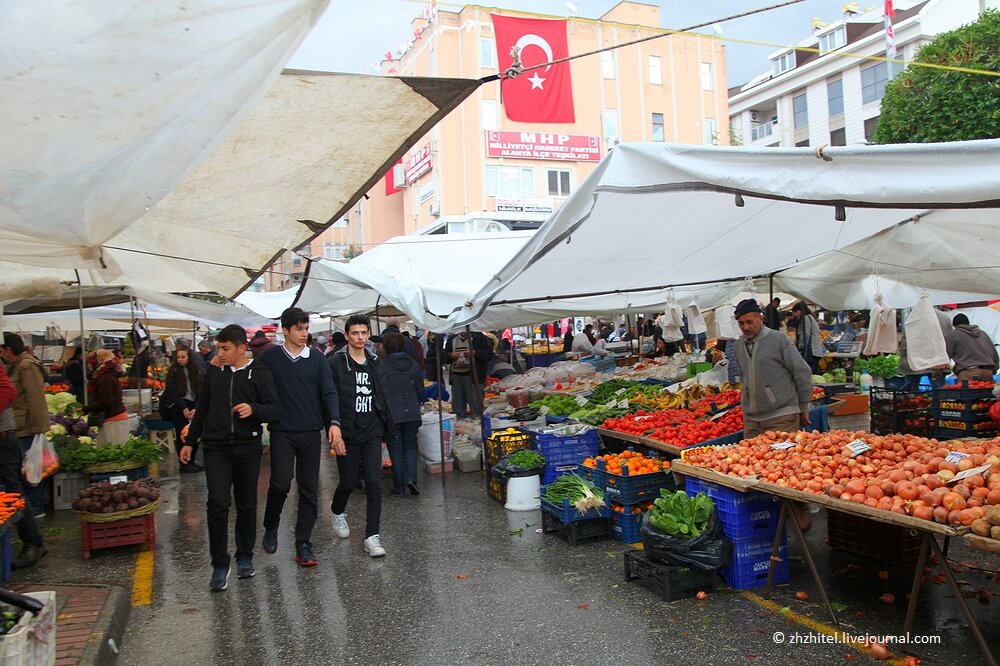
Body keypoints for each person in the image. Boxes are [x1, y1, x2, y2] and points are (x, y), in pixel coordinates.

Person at [182, 324, 280, 591]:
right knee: (217, 502)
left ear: (241, 348)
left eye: (225, 348)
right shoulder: (214, 372)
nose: (220, 353)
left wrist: (254, 409)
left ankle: (245, 557)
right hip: (216, 448)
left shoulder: (260, 373)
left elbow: (274, 409)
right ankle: (219, 564)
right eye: (218, 348)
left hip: (247, 447)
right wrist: (191, 441)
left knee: (247, 503)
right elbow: (202, 408)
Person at [258, 308, 344, 567]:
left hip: (310, 432)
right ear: (285, 330)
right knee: (281, 484)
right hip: (282, 431)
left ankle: (303, 544)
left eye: (306, 328)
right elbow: (251, 381)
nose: (304, 333)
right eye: (299, 329)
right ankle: (271, 525)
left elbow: (329, 392)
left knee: (309, 489)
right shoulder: (270, 358)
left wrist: (335, 423)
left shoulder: (317, 359)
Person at [732, 298, 813, 529]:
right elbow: (744, 377)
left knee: (785, 467)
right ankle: (770, 516)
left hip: (782, 414)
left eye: (749, 321)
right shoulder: (739, 345)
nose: (746, 327)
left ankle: (799, 510)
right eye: (741, 323)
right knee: (754, 468)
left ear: (761, 318)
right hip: (752, 417)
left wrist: (804, 405)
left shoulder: (778, 340)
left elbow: (802, 372)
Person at [329, 315, 394, 557]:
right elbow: (330, 397)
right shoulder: (335, 362)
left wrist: (387, 429)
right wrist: (334, 429)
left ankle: (372, 536)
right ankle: (337, 510)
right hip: (347, 430)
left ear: (368, 335)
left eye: (363, 333)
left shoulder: (376, 362)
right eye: (354, 333)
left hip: (372, 430)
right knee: (347, 481)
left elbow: (384, 396)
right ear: (346, 335)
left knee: (374, 482)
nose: (359, 338)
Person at [0, 363, 46, 568]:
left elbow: (8, 391)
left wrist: (39, 428)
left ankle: (33, 543)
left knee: (13, 491)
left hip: (2, 437)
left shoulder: (26, 366)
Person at [1, 334, 49, 518]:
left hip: (28, 425)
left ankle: (36, 507)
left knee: (31, 468)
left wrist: (39, 429)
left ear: (7, 349)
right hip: (20, 424)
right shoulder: (15, 366)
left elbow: (36, 398)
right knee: (24, 468)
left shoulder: (26, 366)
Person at [381, 332, 422, 498]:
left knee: (396, 449)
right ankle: (411, 478)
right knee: (410, 447)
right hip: (412, 412)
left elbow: (380, 393)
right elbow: (420, 390)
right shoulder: (413, 364)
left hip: (393, 414)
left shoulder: (382, 366)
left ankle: (399, 487)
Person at [162, 347, 203, 473]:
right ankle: (183, 463)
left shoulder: (195, 370)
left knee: (194, 432)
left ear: (189, 358)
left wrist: (196, 407)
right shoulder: (173, 371)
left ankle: (191, 460)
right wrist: (183, 408)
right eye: (178, 357)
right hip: (178, 406)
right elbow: (172, 392)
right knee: (182, 434)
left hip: (193, 404)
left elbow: (199, 389)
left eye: (183, 357)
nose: (180, 360)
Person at [81, 349, 130, 445]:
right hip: (114, 419)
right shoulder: (108, 375)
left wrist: (86, 409)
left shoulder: (104, 378)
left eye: (91, 362)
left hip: (113, 420)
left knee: (113, 452)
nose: (89, 366)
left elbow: (105, 402)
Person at [444, 330, 492, 418]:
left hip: (474, 376)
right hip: (456, 376)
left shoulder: (479, 337)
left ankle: (478, 422)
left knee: (475, 403)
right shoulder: (452, 339)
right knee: (458, 404)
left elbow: (489, 354)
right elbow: (444, 355)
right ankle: (460, 422)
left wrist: (474, 353)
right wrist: (450, 355)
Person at [945, 314, 999, 382]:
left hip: (968, 373)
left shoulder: (953, 335)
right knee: (987, 392)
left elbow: (946, 356)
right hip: (988, 372)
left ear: (954, 325)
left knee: (968, 392)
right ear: (968, 323)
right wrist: (992, 371)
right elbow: (995, 356)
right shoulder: (983, 334)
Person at [792, 302, 823, 373]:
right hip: (815, 351)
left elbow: (805, 335)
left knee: (808, 374)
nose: (795, 316)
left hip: (811, 352)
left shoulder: (806, 319)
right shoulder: (810, 317)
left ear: (799, 311)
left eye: (795, 313)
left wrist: (799, 347)